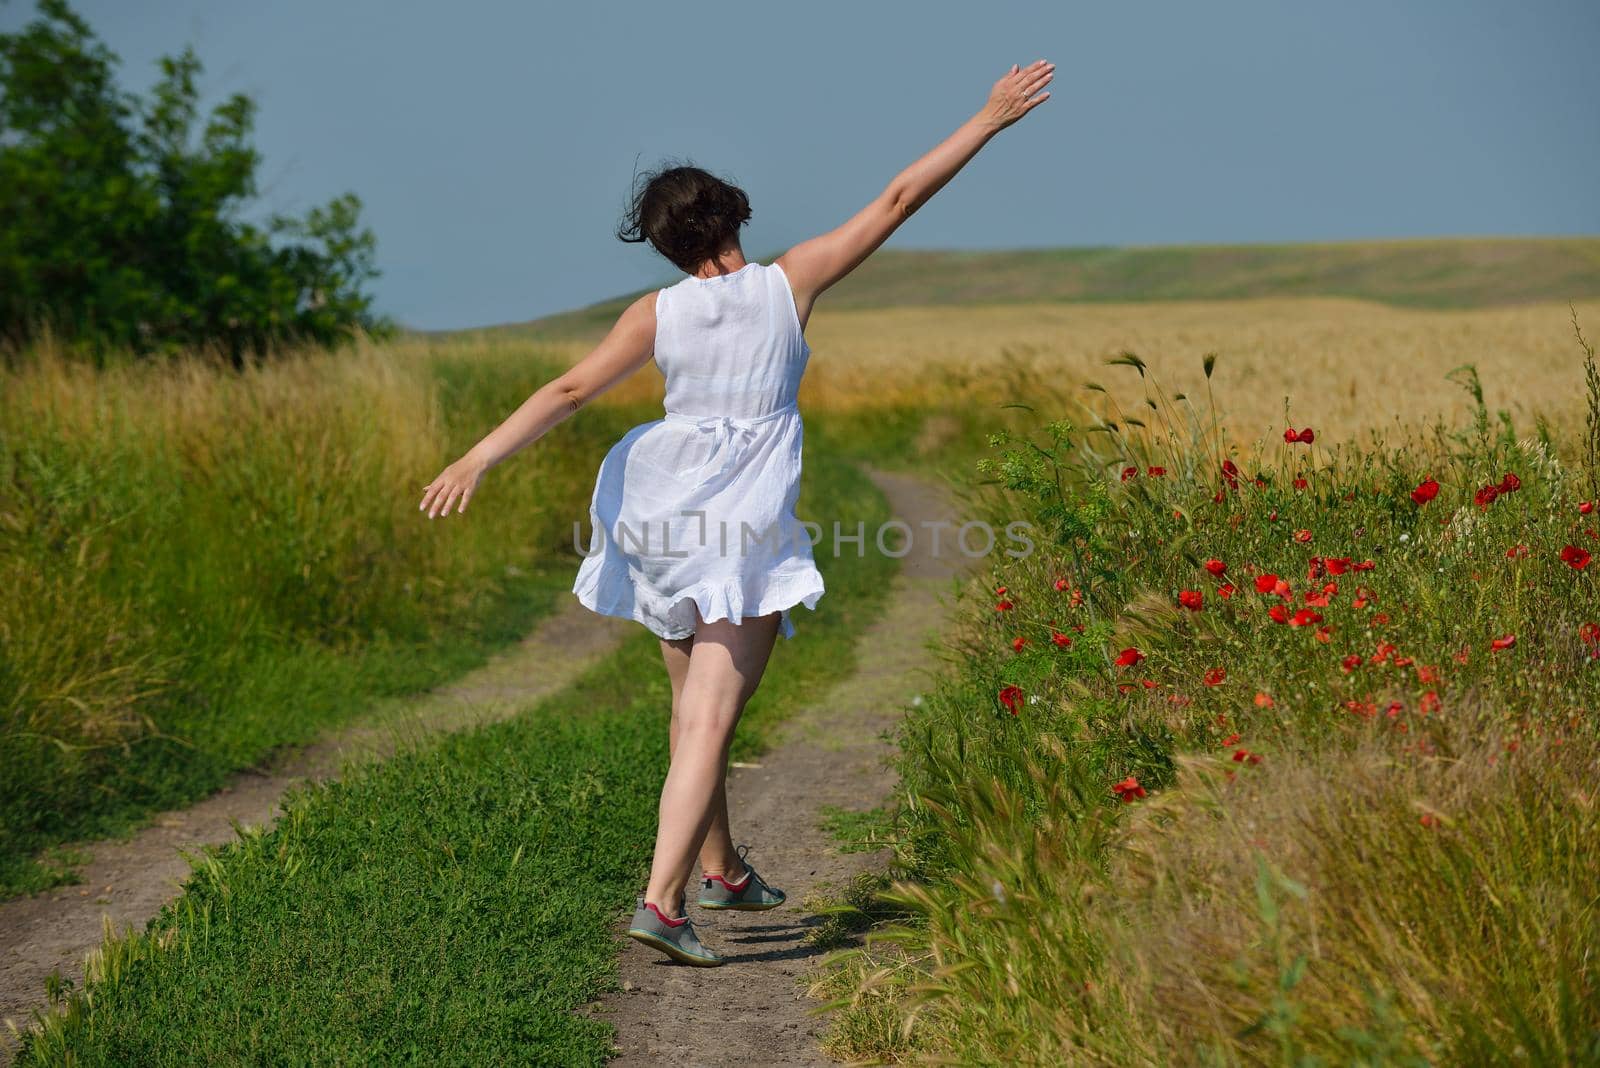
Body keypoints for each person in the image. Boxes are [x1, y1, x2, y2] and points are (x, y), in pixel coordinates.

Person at [417, 59, 1054, 966]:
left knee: (690, 708)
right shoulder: (788, 285)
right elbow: (901, 196)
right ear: (736, 214)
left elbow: (567, 389)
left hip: (662, 507)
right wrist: (987, 118)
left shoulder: (656, 312)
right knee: (713, 718)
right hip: (739, 522)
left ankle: (721, 869)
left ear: (669, 247)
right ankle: (663, 903)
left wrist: (477, 456)